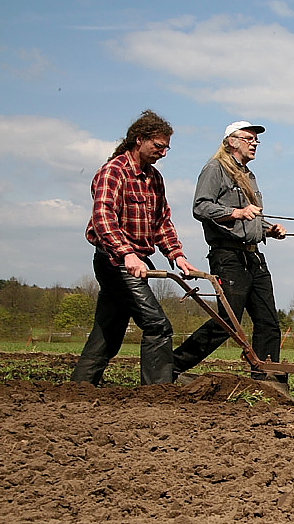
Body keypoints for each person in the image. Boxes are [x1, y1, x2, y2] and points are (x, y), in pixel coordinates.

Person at [73, 110, 198, 386]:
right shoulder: (113, 172)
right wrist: (127, 253)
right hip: (115, 262)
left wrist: (178, 255)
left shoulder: (154, 178)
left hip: (135, 262)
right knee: (157, 326)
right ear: (139, 139)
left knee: (109, 329)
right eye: (158, 146)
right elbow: (103, 216)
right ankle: (158, 391)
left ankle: (80, 387)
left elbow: (162, 222)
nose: (164, 153)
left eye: (167, 148)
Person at [172, 121, 288, 390]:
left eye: (256, 139)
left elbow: (251, 217)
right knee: (228, 322)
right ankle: (172, 365)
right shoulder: (215, 169)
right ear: (231, 141)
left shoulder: (248, 175)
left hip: (253, 256)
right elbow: (200, 207)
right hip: (228, 257)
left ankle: (267, 381)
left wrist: (270, 230)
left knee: (268, 321)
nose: (254, 143)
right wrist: (235, 213)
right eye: (248, 138)